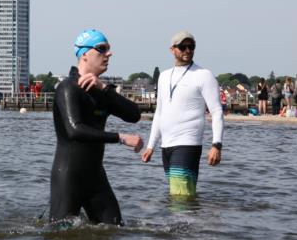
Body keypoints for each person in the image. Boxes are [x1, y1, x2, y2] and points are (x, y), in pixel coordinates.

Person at [49, 29, 142, 225]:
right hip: (69, 176)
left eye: (108, 49)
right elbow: (75, 130)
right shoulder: (68, 87)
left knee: (114, 229)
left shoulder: (99, 90)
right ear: (84, 54)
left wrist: (104, 88)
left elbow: (134, 115)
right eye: (102, 49)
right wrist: (120, 138)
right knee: (60, 238)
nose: (109, 54)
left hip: (96, 177)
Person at [141, 32, 224, 197]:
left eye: (191, 47)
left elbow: (216, 111)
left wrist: (216, 145)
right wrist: (151, 146)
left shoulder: (203, 75)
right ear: (172, 49)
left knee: (180, 197)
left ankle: (184, 221)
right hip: (167, 145)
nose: (187, 50)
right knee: (180, 195)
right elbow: (159, 113)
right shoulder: (164, 76)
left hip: (188, 142)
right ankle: (192, 221)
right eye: (182, 47)